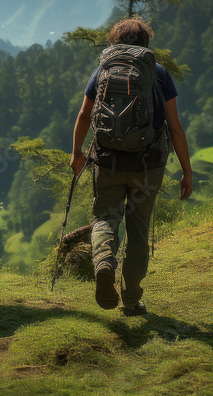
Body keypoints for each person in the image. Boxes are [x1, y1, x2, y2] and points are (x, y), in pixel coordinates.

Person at [69, 18, 193, 316]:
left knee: (104, 218)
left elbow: (85, 115)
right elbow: (174, 127)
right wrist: (187, 171)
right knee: (138, 230)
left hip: (108, 159)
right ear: (146, 44)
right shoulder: (158, 73)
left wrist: (77, 153)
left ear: (115, 40)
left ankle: (103, 263)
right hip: (147, 166)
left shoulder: (103, 70)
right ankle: (131, 300)